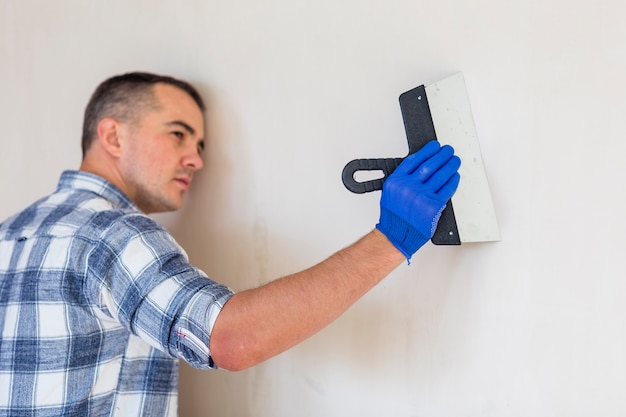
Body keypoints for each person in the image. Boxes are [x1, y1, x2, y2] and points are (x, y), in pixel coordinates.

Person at [0, 72, 461, 416]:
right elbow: (231, 339)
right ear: (113, 135)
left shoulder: (8, 234)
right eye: (178, 133)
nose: (196, 159)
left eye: (199, 143)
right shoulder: (111, 235)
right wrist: (391, 238)